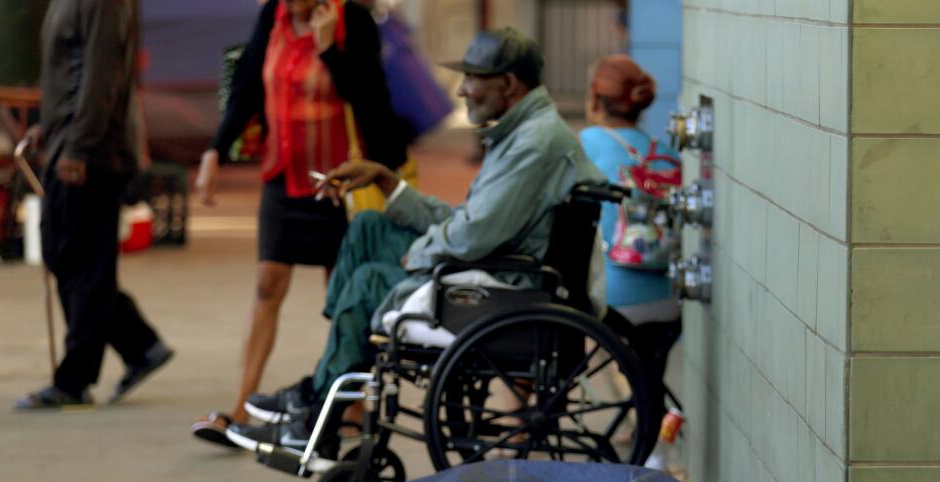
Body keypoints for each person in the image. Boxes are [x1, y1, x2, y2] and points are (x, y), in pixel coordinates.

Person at [220, 27, 606, 451]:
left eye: (472, 79)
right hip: (496, 268)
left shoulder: (534, 143)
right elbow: (472, 222)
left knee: (368, 283)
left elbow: (473, 235)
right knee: (368, 227)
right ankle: (328, 383)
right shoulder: (523, 132)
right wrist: (389, 184)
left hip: (505, 289)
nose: (462, 91)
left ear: (509, 85)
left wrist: (420, 253)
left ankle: (320, 409)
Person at [190, 0, 411, 446]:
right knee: (267, 283)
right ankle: (241, 406)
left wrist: (329, 50)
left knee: (343, 294)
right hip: (284, 177)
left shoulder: (351, 21)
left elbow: (371, 100)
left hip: (340, 183)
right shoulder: (273, 17)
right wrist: (216, 149)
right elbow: (248, 86)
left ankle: (347, 403)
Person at [15, 0, 174, 411]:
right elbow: (67, 73)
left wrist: (80, 147)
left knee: (84, 265)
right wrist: (47, 127)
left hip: (92, 155)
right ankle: (140, 345)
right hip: (67, 144)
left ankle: (74, 379)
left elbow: (101, 75)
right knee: (64, 255)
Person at [578, 55, 683, 437]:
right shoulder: (666, 152)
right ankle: (649, 434)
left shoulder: (588, 144)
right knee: (649, 366)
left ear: (595, 98)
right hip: (673, 298)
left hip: (616, 300)